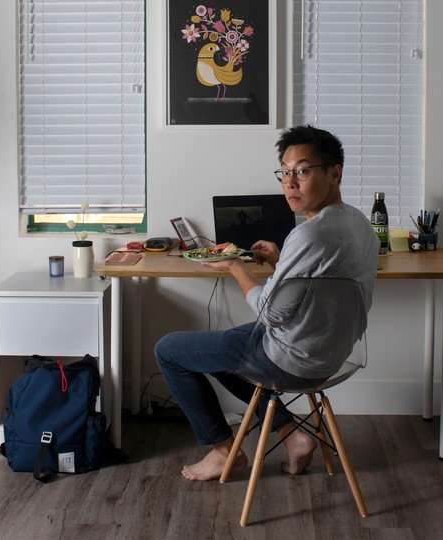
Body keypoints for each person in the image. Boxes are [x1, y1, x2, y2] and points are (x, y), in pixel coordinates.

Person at [154, 125, 379, 481]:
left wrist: (234, 266)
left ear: (334, 172)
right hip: (330, 353)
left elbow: (271, 312)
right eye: (284, 172)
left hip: (291, 358)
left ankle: (224, 452)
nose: (290, 182)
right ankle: (292, 434)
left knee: (170, 350)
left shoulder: (308, 234)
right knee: (218, 350)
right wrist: (278, 262)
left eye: (302, 170)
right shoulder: (358, 223)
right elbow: (310, 290)